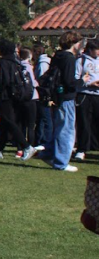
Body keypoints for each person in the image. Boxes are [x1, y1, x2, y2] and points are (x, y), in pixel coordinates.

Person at [43, 31, 86, 172]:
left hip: (56, 96)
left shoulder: (57, 56)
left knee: (58, 127)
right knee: (66, 130)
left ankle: (49, 154)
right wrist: (82, 81)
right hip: (66, 97)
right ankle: (62, 162)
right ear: (75, 43)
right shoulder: (69, 58)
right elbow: (69, 82)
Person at [0, 39, 36, 161]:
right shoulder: (16, 61)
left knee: (8, 121)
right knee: (5, 123)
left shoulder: (4, 62)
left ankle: (26, 146)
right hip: (17, 95)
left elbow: (4, 81)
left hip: (7, 95)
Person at [75, 39, 99, 161]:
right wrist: (88, 84)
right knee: (84, 122)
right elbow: (76, 78)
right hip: (84, 94)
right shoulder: (81, 60)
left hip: (97, 95)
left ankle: (95, 147)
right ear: (90, 49)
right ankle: (81, 149)